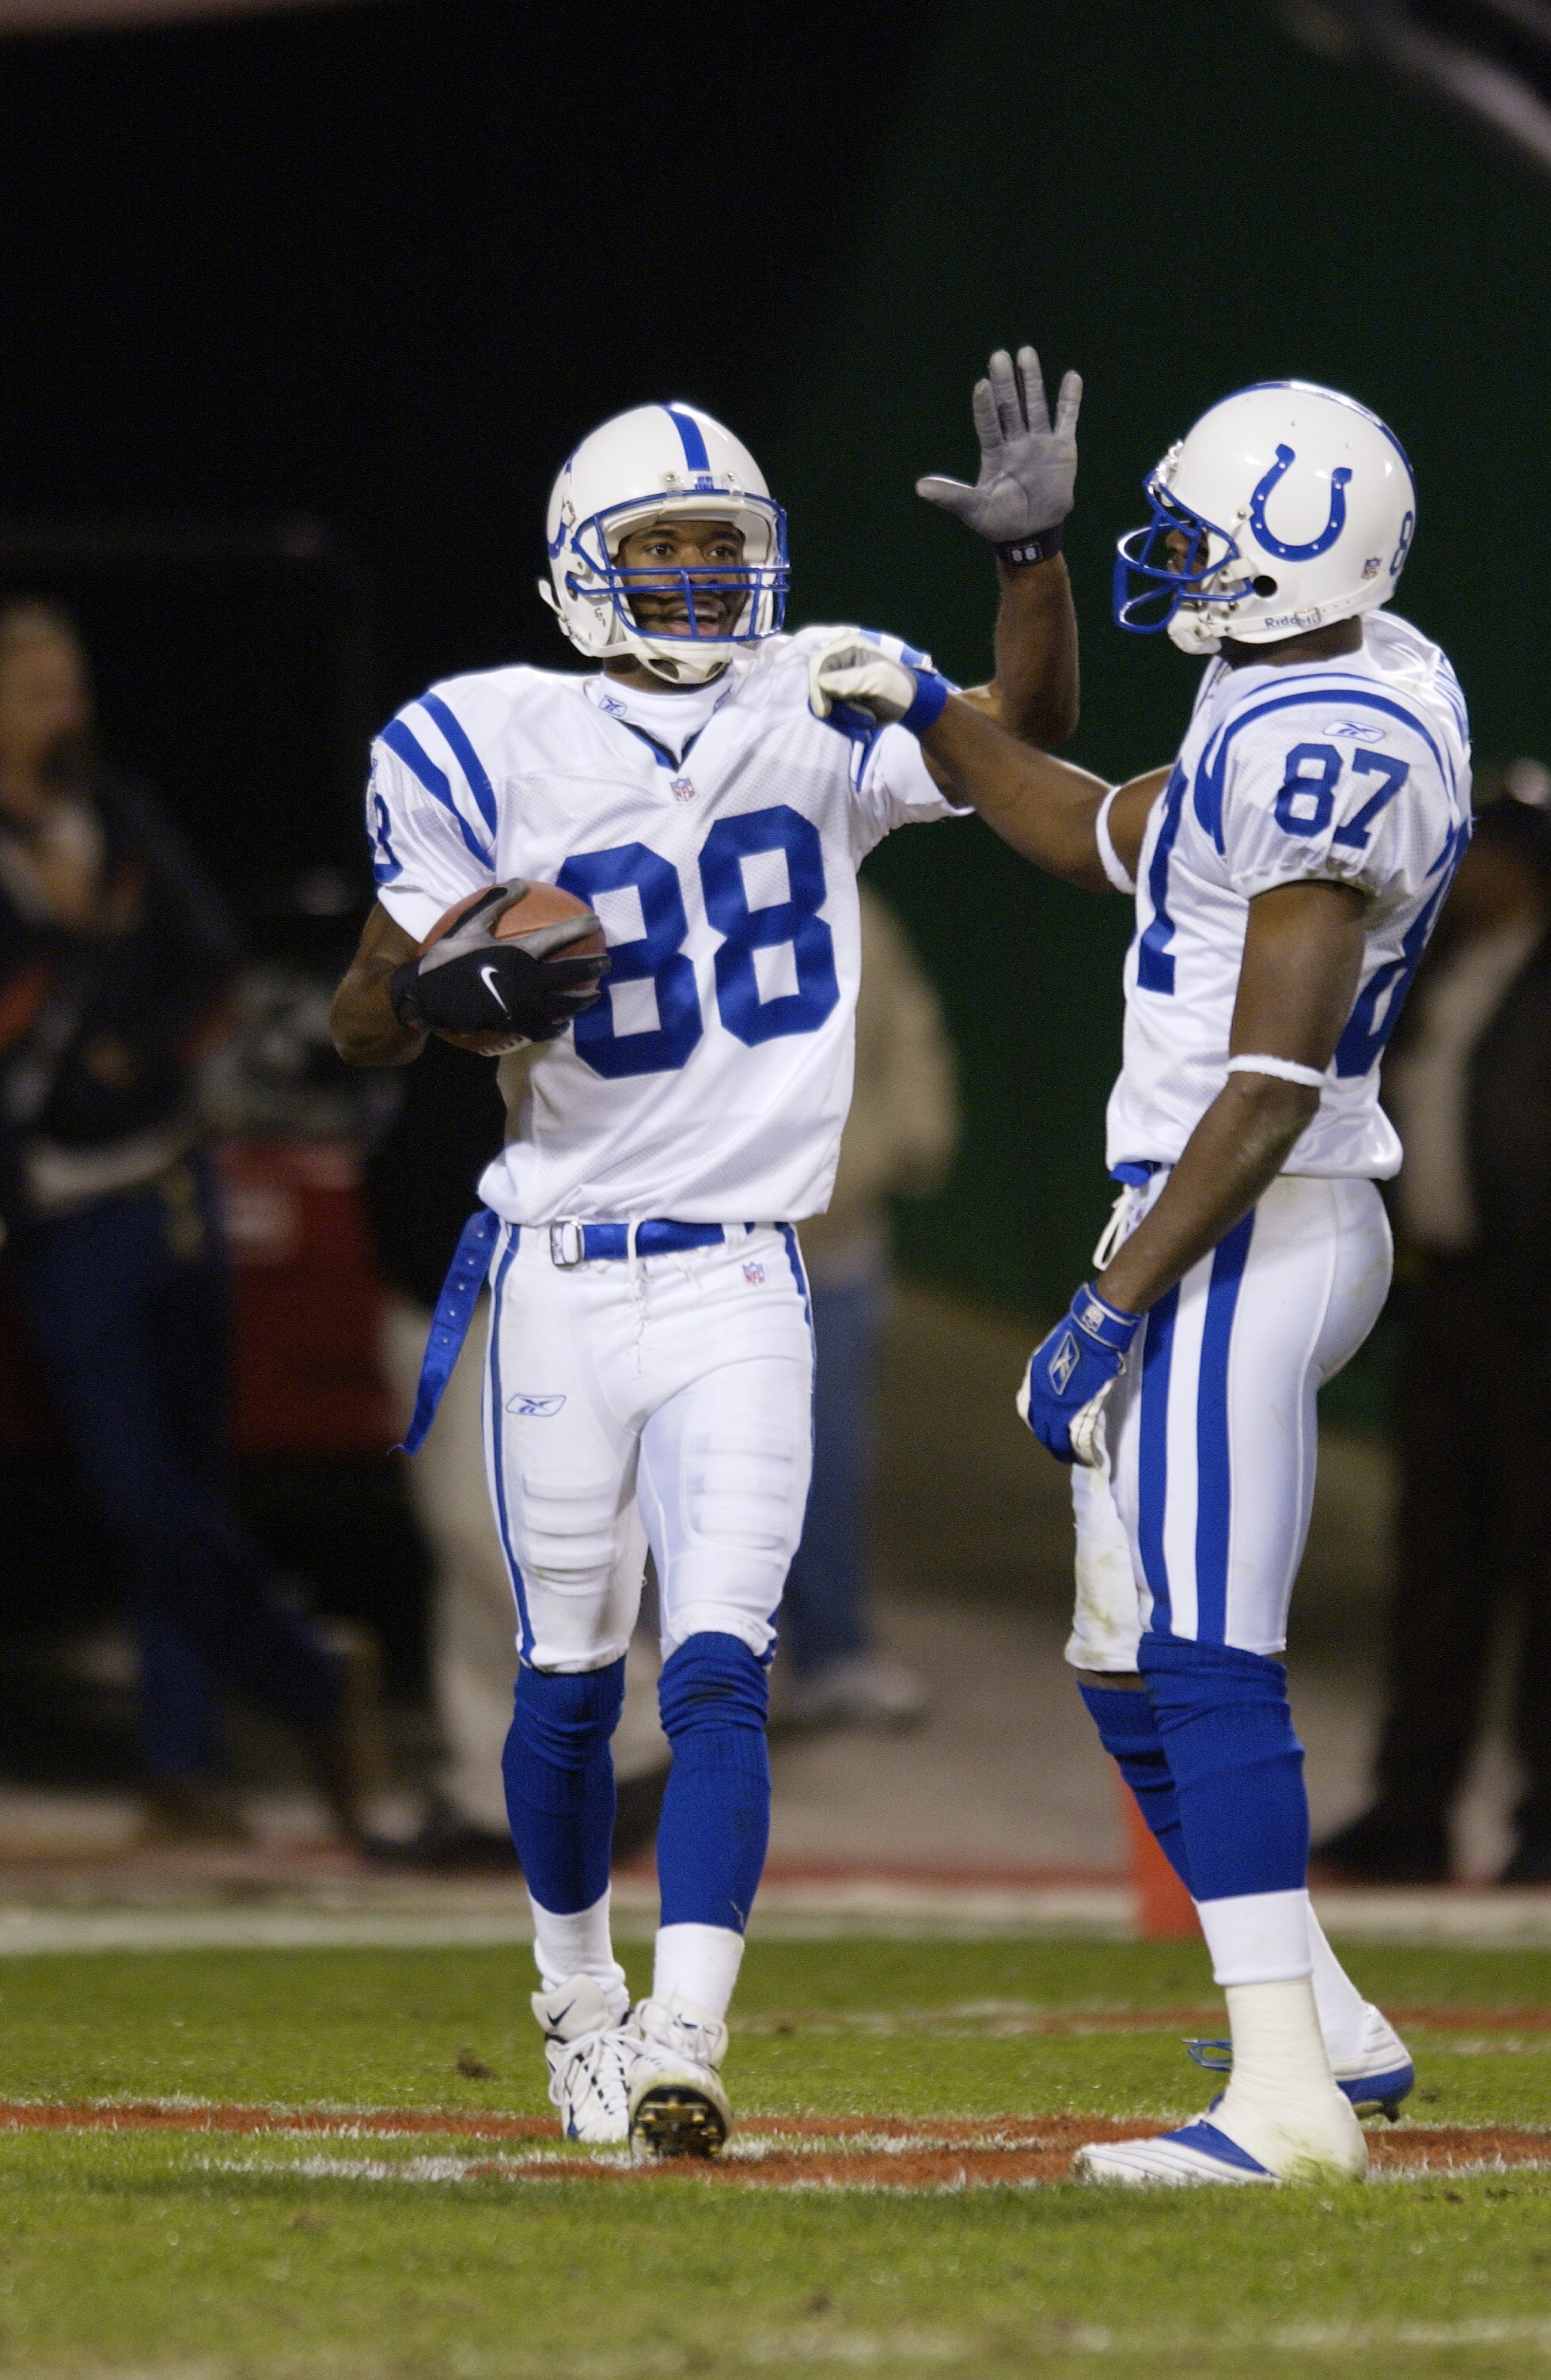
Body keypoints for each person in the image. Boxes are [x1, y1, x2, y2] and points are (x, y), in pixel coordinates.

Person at [332, 350, 1080, 2155]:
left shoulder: (819, 694)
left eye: (719, 547)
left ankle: (687, 2022)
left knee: (722, 1660)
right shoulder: (479, 735)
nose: (696, 582)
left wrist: (1031, 566)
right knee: (566, 1676)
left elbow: (1024, 741)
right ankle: (576, 1992)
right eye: (659, 550)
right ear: (587, 562)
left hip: (752, 1263)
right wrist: (442, 991)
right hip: (565, 1269)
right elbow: (359, 1013)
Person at [807, 378, 1467, 2185]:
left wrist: (1115, 1302)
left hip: (1245, 1217)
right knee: (1121, 1650)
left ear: (1292, 561)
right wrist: (953, 690)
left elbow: (1269, 1081)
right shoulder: (1319, 678)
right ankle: (1326, 2017)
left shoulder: (1340, 738)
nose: (1170, 560)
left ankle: (1282, 2104)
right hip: (1214, 1210)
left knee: (1204, 1646)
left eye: (1203, 537)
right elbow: (1092, 825)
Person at [0, 598, 382, 1844]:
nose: (71, 713)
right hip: (61, 1222)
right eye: (45, 690)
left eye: (74, 686)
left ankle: (186, 1764)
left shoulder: (114, 818)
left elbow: (216, 971)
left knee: (192, 1485)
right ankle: (312, 1677)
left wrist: (149, 1056)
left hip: (170, 1187)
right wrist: (61, 945)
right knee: (139, 1492)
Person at [1315, 777, 1551, 1885]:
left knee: (1540, 1564)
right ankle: (1414, 1807)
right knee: (1437, 1565)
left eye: (1494, 854)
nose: (1473, 874)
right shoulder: (1447, 971)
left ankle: (1541, 1820)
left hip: (1537, 1309)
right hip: (1451, 1301)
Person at [363, 1034, 670, 1866]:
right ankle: (489, 1792)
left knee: (496, 1530)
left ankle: (639, 1733)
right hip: (427, 1274)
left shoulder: (560, 947)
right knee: (459, 1543)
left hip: (515, 1284)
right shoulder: (435, 938)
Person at [779, 881, 958, 1728]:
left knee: (829, 1461)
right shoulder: (653, 886)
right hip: (693, 1254)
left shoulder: (853, 909)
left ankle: (833, 1652)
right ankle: (680, 1669)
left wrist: (899, 1148)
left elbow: (909, 1038)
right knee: (680, 1469)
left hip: (834, 1248)